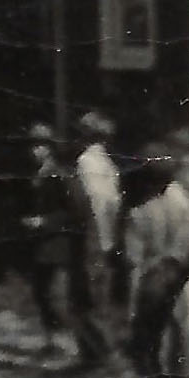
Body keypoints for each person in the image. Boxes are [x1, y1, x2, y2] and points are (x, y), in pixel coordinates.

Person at [121, 144, 189, 378]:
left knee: (148, 356)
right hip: (178, 287)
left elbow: (133, 265)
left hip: (150, 289)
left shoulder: (139, 214)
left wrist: (131, 310)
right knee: (181, 354)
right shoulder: (184, 206)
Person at [21, 123, 106, 367]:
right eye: (32, 146)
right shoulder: (38, 174)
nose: (35, 151)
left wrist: (44, 221)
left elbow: (77, 213)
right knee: (42, 293)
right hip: (42, 244)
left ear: (51, 149)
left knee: (56, 295)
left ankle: (68, 345)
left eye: (41, 146)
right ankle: (53, 341)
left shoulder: (60, 174)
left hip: (60, 246)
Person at [75, 111, 125, 307]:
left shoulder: (88, 161)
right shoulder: (107, 162)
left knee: (96, 278)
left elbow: (97, 199)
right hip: (108, 226)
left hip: (97, 228)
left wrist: (100, 235)